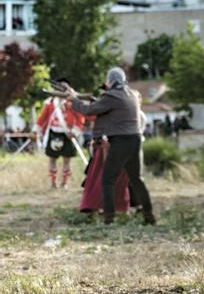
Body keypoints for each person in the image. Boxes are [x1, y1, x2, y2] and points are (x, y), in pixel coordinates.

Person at [66, 68, 155, 225]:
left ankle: (109, 219)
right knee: (137, 180)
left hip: (121, 142)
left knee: (107, 181)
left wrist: (74, 100)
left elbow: (89, 110)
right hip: (134, 140)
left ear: (110, 81)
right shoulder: (132, 94)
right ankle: (149, 216)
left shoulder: (112, 95)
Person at [36, 79, 84, 189]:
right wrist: (36, 130)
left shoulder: (72, 103)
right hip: (53, 132)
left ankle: (64, 183)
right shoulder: (50, 103)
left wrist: (74, 132)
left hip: (67, 133)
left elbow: (80, 119)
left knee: (67, 160)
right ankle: (53, 183)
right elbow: (42, 118)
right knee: (52, 159)